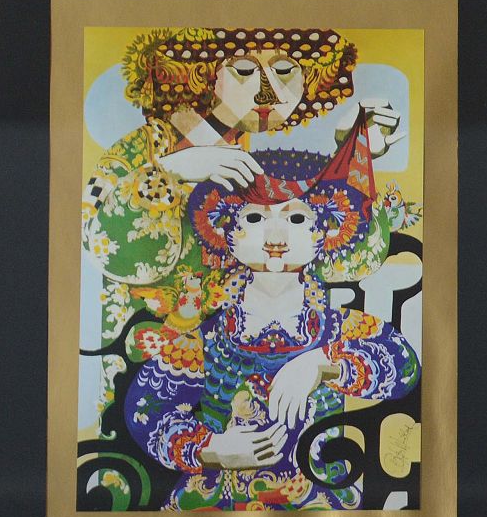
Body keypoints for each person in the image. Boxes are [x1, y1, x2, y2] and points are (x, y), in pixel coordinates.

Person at [81, 27, 404, 422]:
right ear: (203, 73)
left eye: (284, 71)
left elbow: (345, 259)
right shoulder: (145, 148)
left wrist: (351, 155)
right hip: (157, 358)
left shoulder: (248, 156)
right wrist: (170, 172)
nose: (267, 93)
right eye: (245, 71)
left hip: (262, 362)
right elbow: (110, 250)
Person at [124, 137, 419, 510]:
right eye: (254, 218)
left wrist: (322, 364)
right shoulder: (209, 340)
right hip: (219, 504)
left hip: (319, 506)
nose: (275, 238)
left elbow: (404, 367)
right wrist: (212, 450)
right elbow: (145, 409)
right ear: (226, 230)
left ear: (323, 231)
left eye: (296, 219)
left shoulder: (336, 330)